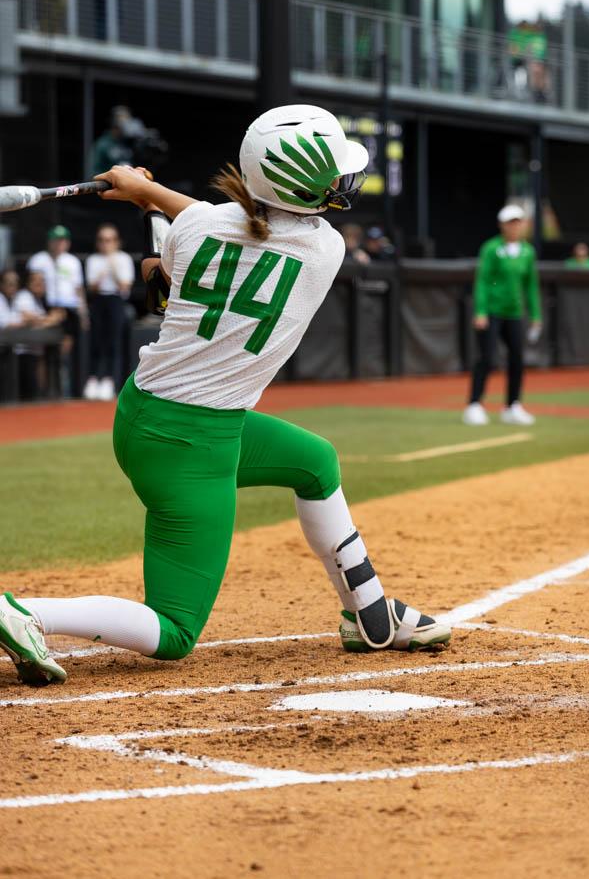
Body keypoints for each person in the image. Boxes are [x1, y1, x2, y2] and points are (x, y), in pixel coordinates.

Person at [0, 104, 450, 687]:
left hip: (151, 413)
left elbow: (204, 231)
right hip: (191, 444)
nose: (343, 183)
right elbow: (224, 233)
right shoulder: (326, 249)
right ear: (303, 188)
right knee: (175, 630)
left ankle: (370, 613)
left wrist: (148, 192)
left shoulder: (197, 231)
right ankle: (28, 613)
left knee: (315, 462)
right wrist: (150, 194)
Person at [463, 204, 541, 427]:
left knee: (517, 359)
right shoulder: (491, 249)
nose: (515, 226)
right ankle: (474, 405)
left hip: (514, 313)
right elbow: (483, 281)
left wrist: (536, 314)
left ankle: (512, 406)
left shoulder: (528, 252)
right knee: (487, 357)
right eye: (510, 222)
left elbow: (531, 286)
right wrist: (480, 311)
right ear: (502, 225)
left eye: (518, 222)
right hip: (491, 312)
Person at [27, 226, 88, 396]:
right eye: (56, 240)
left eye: (62, 240)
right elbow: (33, 285)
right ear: (49, 241)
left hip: (68, 308)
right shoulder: (38, 260)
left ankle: (62, 386)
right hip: (46, 306)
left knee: (64, 349)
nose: (59, 244)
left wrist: (83, 314)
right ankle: (42, 390)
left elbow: (78, 289)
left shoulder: (72, 261)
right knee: (42, 350)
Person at [83, 224, 135, 401]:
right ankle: (93, 379)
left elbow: (125, 286)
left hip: (116, 301)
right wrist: (102, 272)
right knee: (96, 341)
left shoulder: (123, 259)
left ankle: (110, 380)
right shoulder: (93, 259)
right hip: (98, 301)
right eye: (102, 240)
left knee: (114, 342)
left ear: (116, 242)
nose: (106, 244)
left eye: (110, 240)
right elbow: (92, 287)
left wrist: (112, 267)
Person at [0, 270, 65, 399]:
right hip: (20, 353)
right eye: (35, 281)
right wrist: (51, 319)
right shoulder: (24, 296)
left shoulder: (38, 300)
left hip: (31, 352)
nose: (39, 284)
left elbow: (38, 321)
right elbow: (28, 319)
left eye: (42, 281)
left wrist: (48, 320)